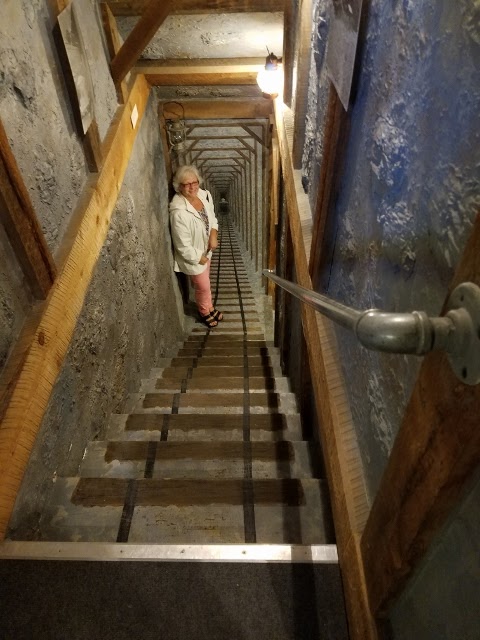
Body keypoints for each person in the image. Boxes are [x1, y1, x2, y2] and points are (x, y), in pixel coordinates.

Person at [169, 165, 223, 328]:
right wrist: (200, 258)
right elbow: (182, 246)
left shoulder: (204, 196)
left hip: (207, 251)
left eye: (194, 182)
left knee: (206, 284)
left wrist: (213, 234)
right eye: (186, 184)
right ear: (179, 186)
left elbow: (212, 218)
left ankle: (210, 307)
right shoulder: (178, 212)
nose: (192, 187)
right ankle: (204, 311)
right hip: (195, 257)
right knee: (203, 286)